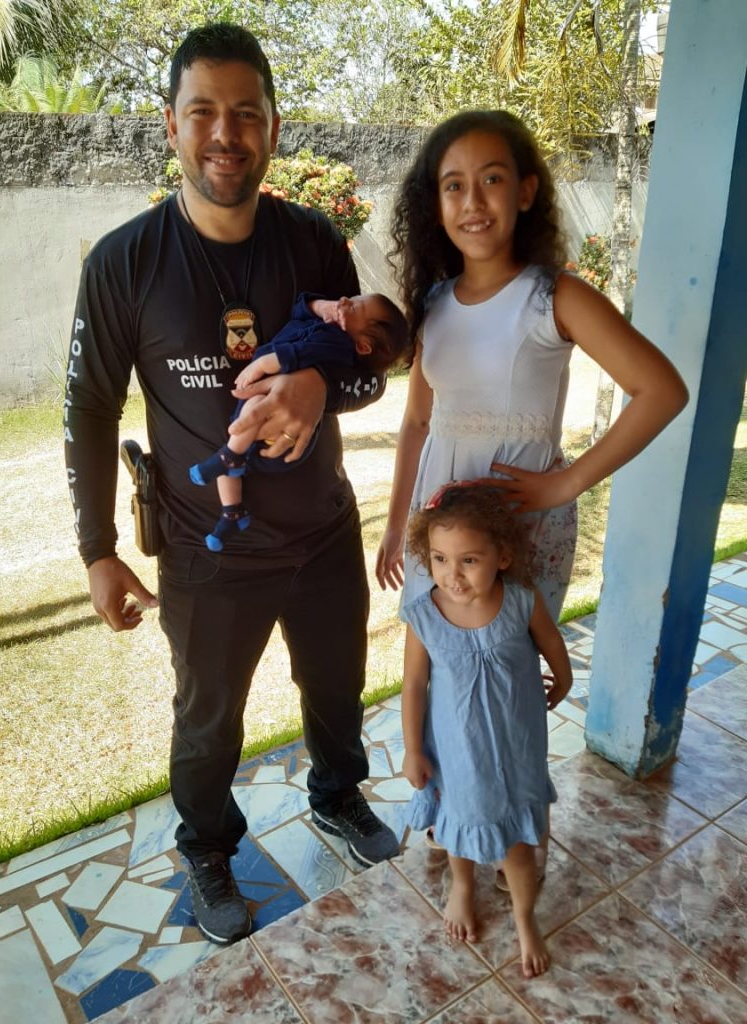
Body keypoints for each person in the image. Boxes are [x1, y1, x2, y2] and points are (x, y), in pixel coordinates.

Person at [64, 22, 400, 948]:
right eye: (204, 111)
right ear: (171, 124)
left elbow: (370, 369)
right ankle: (208, 847)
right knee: (208, 719)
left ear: (273, 129)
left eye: (246, 114)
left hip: (322, 531)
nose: (226, 133)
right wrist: (97, 549)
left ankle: (337, 795)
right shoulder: (124, 263)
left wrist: (321, 381)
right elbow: (90, 409)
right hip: (208, 549)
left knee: (336, 685)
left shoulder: (314, 241)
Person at [375, 109, 688, 621]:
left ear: (525, 192)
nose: (473, 202)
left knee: (508, 658)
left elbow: (662, 391)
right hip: (438, 528)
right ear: (435, 205)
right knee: (434, 652)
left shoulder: (555, 297)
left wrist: (567, 484)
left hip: (518, 528)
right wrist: (394, 525)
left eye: (492, 179)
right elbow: (416, 421)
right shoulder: (433, 304)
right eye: (454, 186)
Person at [401, 482, 572, 975]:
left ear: (502, 556)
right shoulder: (424, 617)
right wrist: (413, 749)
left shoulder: (521, 601)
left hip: (518, 747)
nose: (452, 575)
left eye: (469, 560)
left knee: (519, 844)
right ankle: (462, 885)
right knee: (459, 821)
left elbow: (552, 643)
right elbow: (413, 685)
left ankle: (524, 917)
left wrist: (563, 679)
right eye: (439, 559)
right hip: (458, 751)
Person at [189, 291, 409, 550]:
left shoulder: (338, 343)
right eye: (353, 298)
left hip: (280, 434)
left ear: (362, 346)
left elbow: (298, 353)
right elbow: (298, 311)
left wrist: (267, 363)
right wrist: (319, 305)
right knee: (230, 461)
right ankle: (232, 513)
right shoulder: (328, 321)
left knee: (247, 421)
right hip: (253, 422)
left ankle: (229, 458)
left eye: (356, 307)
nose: (345, 300)